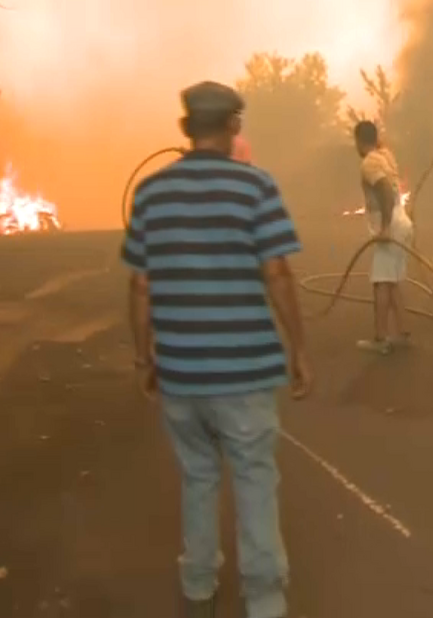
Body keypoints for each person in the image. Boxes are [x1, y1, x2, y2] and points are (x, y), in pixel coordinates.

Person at [121, 80, 312, 618]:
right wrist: (300, 348)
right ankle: (265, 600)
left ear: (186, 129)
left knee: (199, 478)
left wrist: (144, 358)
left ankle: (199, 589)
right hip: (246, 372)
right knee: (254, 479)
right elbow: (277, 271)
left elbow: (140, 286)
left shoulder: (151, 193)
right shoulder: (256, 188)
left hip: (181, 374)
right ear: (234, 127)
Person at [353, 120, 414, 354]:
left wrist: (385, 227)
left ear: (359, 141)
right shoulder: (385, 156)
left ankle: (380, 339)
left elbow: (386, 192)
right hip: (403, 222)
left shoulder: (369, 164)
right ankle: (403, 333)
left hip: (392, 226)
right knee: (392, 280)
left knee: (380, 282)